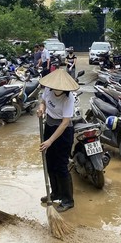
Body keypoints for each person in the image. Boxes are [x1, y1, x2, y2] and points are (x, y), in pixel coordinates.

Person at [36, 68, 79, 212]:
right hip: (49, 126)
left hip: (63, 132)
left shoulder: (69, 98)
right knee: (50, 162)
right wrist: (41, 109)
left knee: (61, 165)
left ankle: (68, 200)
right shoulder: (48, 89)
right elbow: (43, 101)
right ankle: (55, 193)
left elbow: (65, 122)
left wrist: (50, 141)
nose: (56, 88)